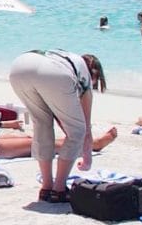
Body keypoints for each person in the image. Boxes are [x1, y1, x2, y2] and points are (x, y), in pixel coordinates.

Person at [8, 50, 108, 204]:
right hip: (52, 72)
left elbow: (59, 117)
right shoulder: (84, 76)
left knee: (42, 124)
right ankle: (59, 188)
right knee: (77, 131)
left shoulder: (68, 59)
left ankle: (46, 187)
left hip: (19, 67)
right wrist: (87, 159)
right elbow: (84, 128)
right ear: (94, 74)